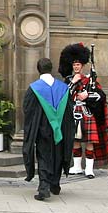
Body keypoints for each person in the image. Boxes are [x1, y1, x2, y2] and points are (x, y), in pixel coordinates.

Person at [22, 57, 75, 201]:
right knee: (58, 153)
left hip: (42, 129)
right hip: (60, 129)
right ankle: (55, 184)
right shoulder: (64, 88)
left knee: (44, 155)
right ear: (51, 69)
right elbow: (70, 112)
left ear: (38, 69)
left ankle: (44, 186)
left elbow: (27, 109)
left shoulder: (34, 88)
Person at [60, 43, 108, 178]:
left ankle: (89, 169)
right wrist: (73, 83)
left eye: (78, 65)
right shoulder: (68, 80)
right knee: (75, 141)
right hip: (74, 113)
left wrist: (87, 95)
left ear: (82, 66)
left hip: (86, 113)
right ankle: (77, 166)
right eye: (74, 65)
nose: (76, 67)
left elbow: (100, 95)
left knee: (89, 142)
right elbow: (64, 96)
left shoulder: (89, 80)